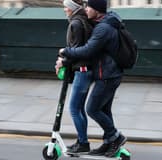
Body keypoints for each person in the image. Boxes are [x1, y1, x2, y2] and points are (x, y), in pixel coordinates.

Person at [56, 0, 127, 157]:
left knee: (92, 109)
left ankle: (115, 136)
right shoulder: (102, 22)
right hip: (109, 73)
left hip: (107, 74)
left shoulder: (103, 28)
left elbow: (87, 50)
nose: (86, 9)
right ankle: (108, 143)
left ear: (97, 10)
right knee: (103, 109)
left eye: (89, 7)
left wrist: (64, 53)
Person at [56, 0, 93, 153]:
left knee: (73, 108)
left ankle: (83, 143)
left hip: (82, 71)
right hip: (86, 70)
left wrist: (62, 61)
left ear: (71, 8)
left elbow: (76, 51)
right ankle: (82, 141)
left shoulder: (76, 24)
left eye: (66, 6)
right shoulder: (83, 20)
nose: (64, 9)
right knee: (79, 108)